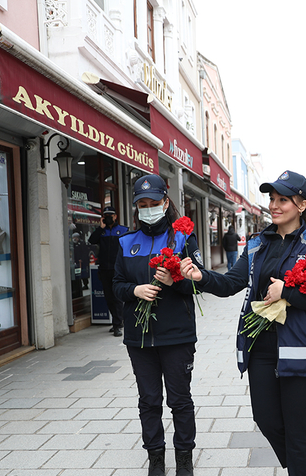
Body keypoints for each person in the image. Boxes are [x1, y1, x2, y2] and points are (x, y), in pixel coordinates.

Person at [180, 170, 306, 476]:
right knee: (265, 418)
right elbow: (230, 284)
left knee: (299, 427)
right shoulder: (256, 244)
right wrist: (200, 276)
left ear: (302, 205)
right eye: (272, 199)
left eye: (283, 200)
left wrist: (286, 292)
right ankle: (304, 463)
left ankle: (301, 466)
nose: (274, 205)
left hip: (302, 348)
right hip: (260, 346)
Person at [112, 174, 204, 476]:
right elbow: (116, 285)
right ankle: (155, 458)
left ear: (165, 203)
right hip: (139, 339)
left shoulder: (183, 239)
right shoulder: (126, 242)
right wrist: (135, 290)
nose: (148, 209)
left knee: (180, 400)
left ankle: (184, 458)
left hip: (177, 336)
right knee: (149, 401)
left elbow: (199, 284)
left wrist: (175, 280)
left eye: (153, 203)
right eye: (142, 205)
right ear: (136, 207)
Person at [88, 205, 128, 336]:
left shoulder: (123, 230)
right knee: (109, 298)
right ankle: (118, 321)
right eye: (106, 216)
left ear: (115, 216)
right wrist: (100, 228)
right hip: (104, 269)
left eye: (110, 216)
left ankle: (117, 324)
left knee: (117, 298)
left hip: (117, 269)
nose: (108, 218)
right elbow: (91, 240)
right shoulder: (101, 232)